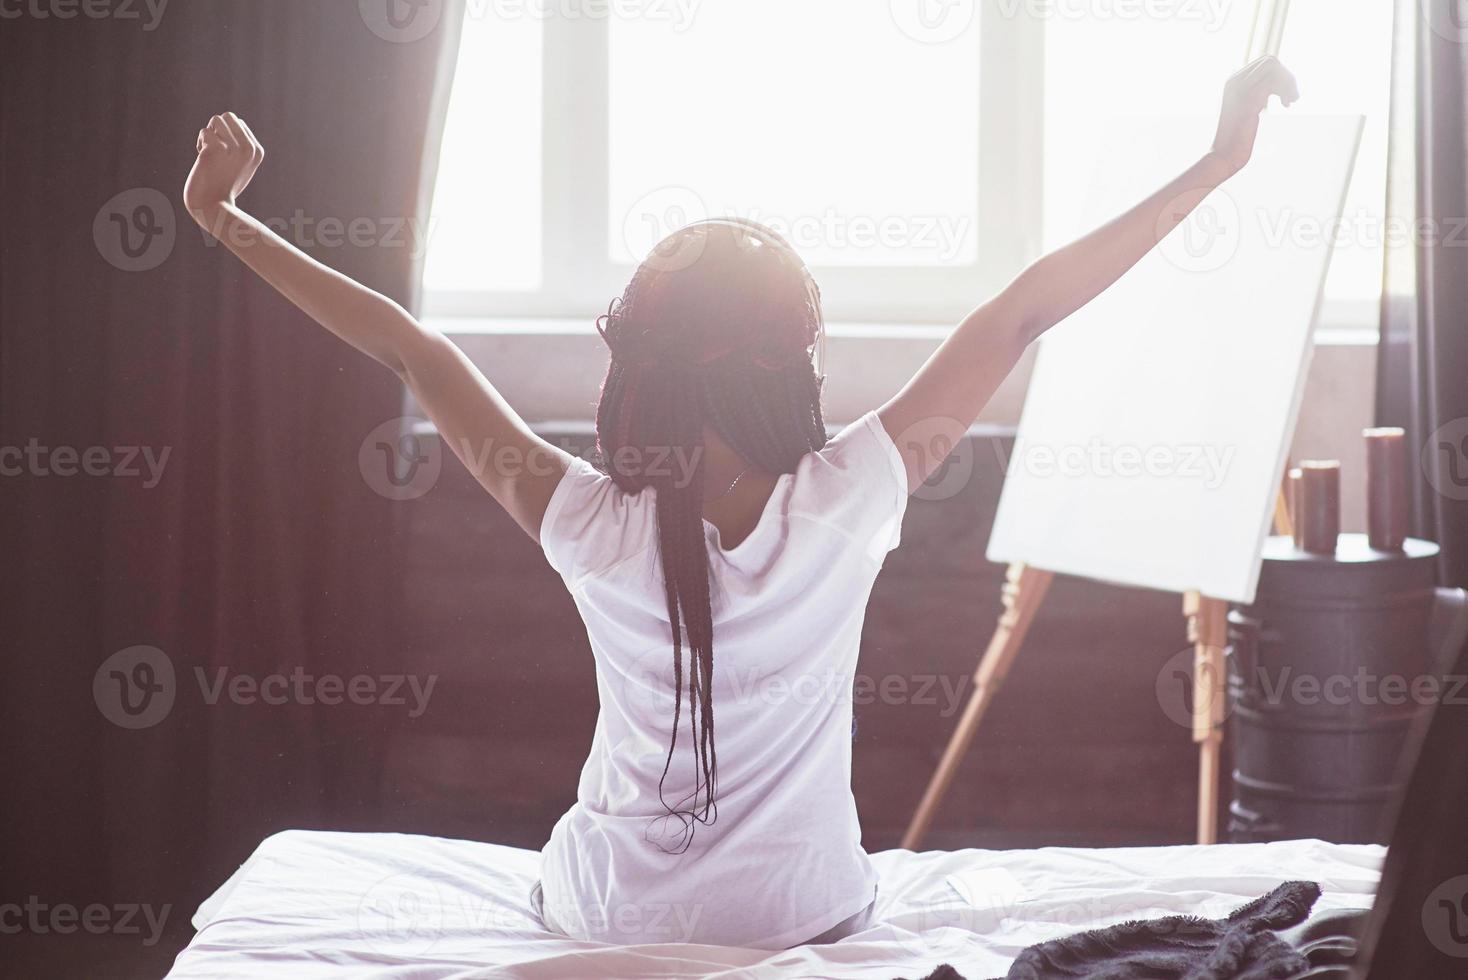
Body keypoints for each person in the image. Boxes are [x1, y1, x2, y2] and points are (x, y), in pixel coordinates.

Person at [181, 55, 1298, 950]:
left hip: (604, 916)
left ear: (642, 364)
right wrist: (1214, 164)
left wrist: (224, 216)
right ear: (784, 361)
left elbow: (417, 354)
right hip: (802, 914)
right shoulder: (853, 491)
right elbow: (1015, 316)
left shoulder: (586, 520)